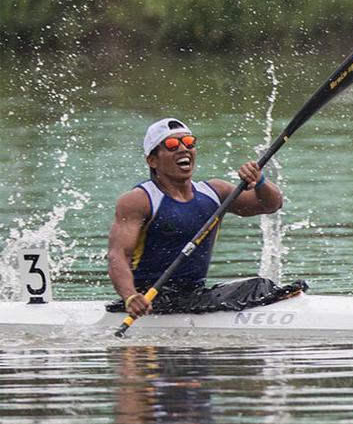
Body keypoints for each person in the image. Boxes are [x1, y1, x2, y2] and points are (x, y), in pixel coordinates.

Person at [107, 118, 289, 316]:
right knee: (260, 287)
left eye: (188, 142)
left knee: (264, 286)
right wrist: (130, 296)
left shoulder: (216, 192)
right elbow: (118, 255)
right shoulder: (138, 200)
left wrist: (260, 181)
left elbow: (271, 204)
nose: (183, 149)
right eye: (171, 145)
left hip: (193, 295)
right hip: (149, 299)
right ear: (153, 161)